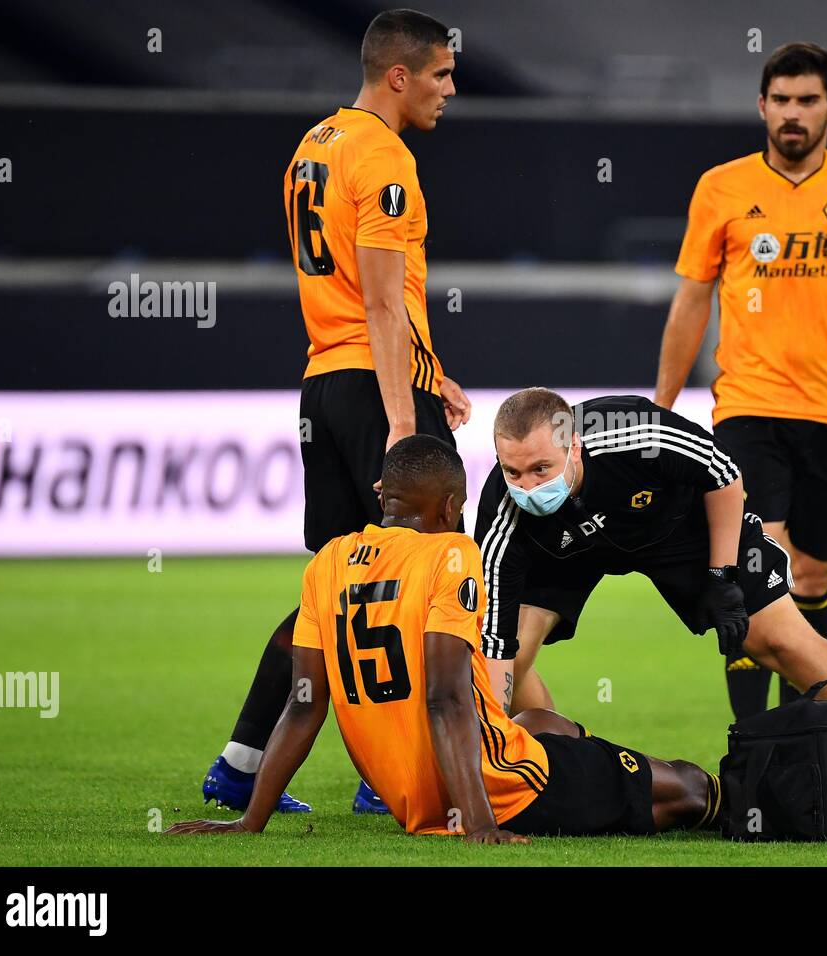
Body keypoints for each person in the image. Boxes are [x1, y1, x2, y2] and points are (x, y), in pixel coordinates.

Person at [168, 436, 720, 842]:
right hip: (500, 789)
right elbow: (446, 696)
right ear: (452, 507)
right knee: (687, 787)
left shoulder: (328, 563)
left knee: (542, 725)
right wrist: (480, 825)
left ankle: (584, 750)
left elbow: (303, 705)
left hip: (413, 800)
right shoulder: (452, 553)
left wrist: (249, 821)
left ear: (384, 493)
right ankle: (742, 794)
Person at [474, 389, 827, 830]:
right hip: (564, 552)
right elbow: (494, 646)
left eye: (542, 469)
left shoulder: (633, 432)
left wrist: (721, 577)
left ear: (574, 445)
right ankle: (540, 767)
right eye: (513, 471)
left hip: (679, 528)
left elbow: (725, 475)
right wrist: (484, 744)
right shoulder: (504, 513)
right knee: (510, 658)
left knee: (779, 639)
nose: (530, 486)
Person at [201, 9, 473, 817]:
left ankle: (244, 762)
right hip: (374, 391)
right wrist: (402, 421)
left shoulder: (314, 143)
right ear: (399, 75)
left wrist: (436, 375)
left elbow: (357, 299)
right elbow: (384, 307)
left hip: (325, 381)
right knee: (429, 577)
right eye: (441, 74)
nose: (450, 90)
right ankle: (384, 773)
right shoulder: (386, 157)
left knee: (334, 590)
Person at [654, 42, 827, 720]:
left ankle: (805, 738)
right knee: (758, 569)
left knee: (811, 576)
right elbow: (691, 301)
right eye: (780, 100)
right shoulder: (720, 187)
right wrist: (660, 408)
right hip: (748, 406)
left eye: (807, 100)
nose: (792, 114)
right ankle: (751, 745)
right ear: (761, 106)